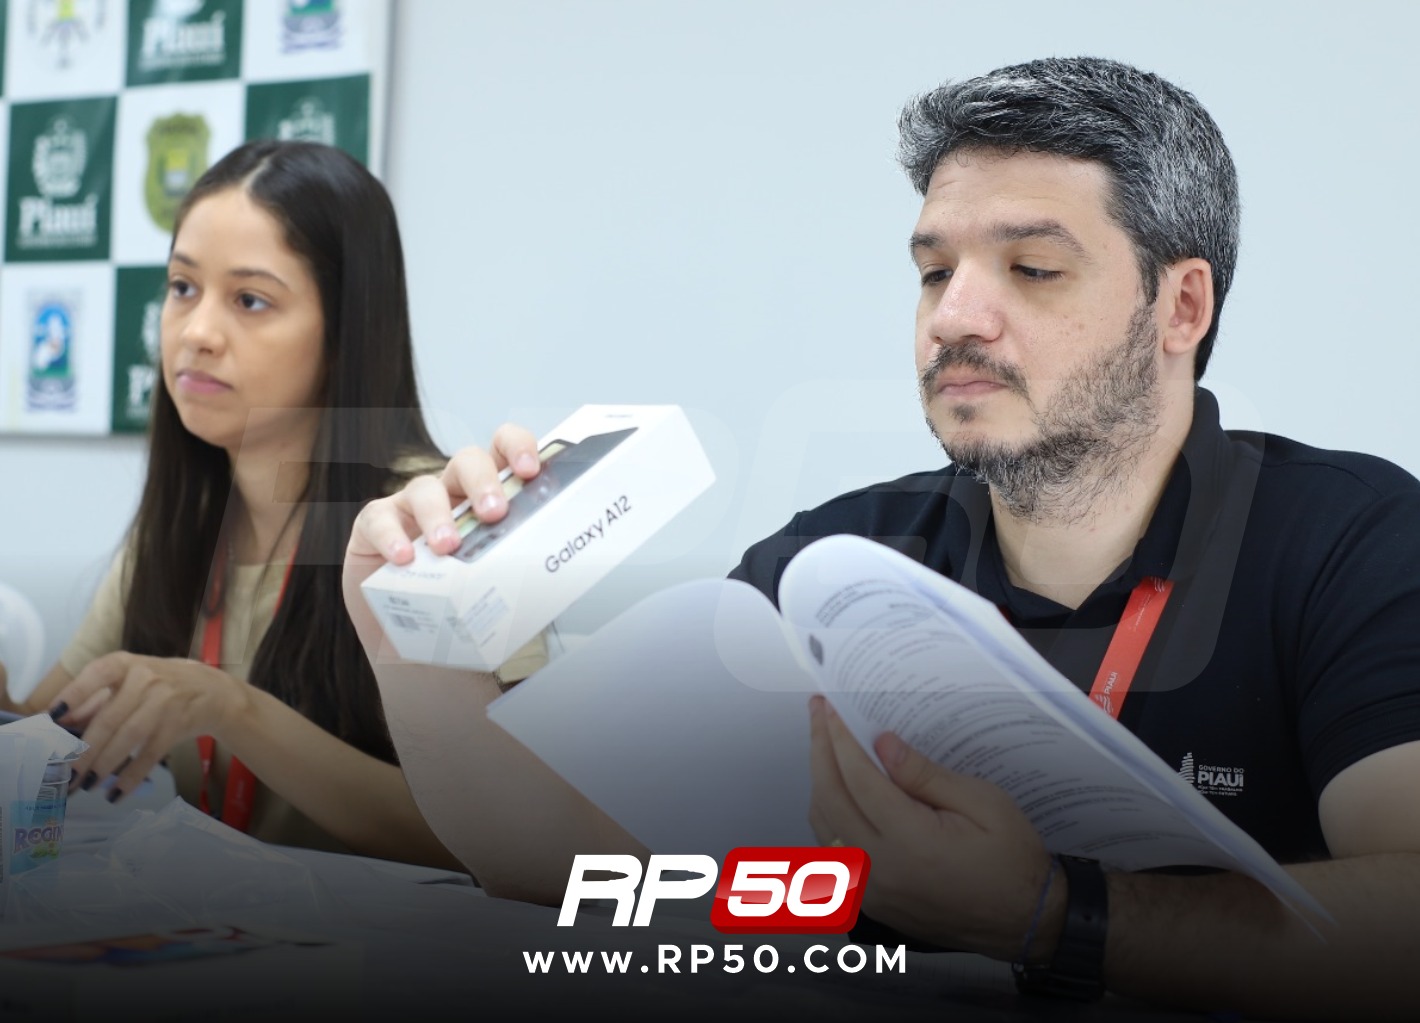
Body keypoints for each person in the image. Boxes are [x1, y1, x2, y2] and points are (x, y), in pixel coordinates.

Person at [343, 58, 1420, 1016]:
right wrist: (415, 647)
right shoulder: (841, 560)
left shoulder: (1353, 541)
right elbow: (574, 857)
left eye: (1031, 268)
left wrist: (1054, 914)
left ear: (1180, 306)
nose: (954, 316)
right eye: (934, 270)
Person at [0, 140, 489, 865]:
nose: (196, 333)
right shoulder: (190, 516)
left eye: (250, 300)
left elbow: (495, 839)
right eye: (182, 287)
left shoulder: (433, 522)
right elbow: (49, 737)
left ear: (346, 329)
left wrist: (232, 708)